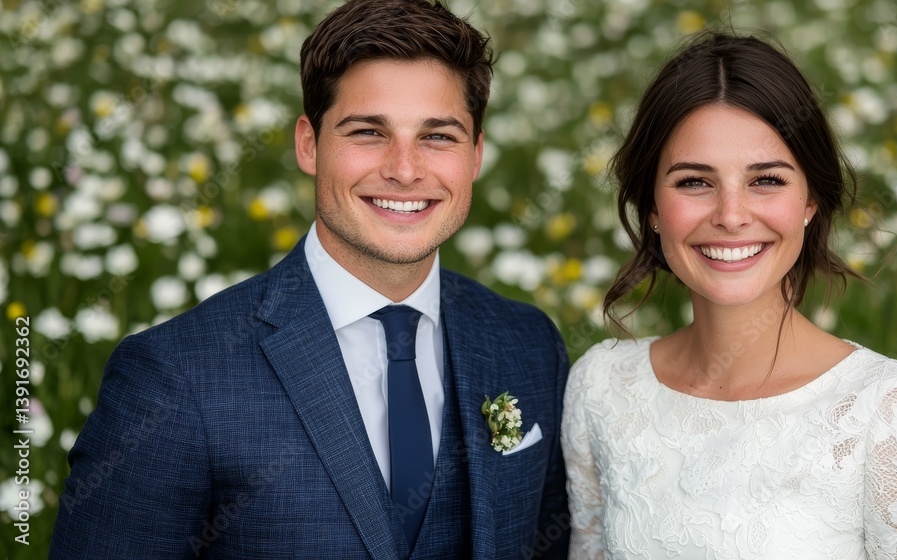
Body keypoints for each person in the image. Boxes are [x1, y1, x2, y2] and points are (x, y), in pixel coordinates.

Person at [50, 1, 570, 557]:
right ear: (308, 144)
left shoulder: (528, 345)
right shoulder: (173, 376)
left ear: (475, 155)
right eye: (369, 132)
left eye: (438, 136)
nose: (404, 168)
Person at [562, 31, 897, 559]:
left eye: (766, 180)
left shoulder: (893, 409)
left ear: (811, 201)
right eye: (694, 182)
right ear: (651, 207)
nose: (732, 215)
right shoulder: (601, 388)